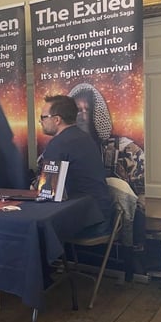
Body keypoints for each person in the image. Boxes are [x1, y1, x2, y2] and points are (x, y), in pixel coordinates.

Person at [38, 95, 114, 237]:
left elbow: (48, 194)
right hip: (102, 216)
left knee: (32, 228)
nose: (40, 121)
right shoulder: (85, 138)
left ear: (56, 119)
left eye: (43, 117)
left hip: (88, 224)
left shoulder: (58, 144)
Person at [68, 82, 145, 195]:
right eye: (78, 110)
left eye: (88, 110)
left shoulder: (127, 150)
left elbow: (141, 196)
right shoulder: (61, 148)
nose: (83, 117)